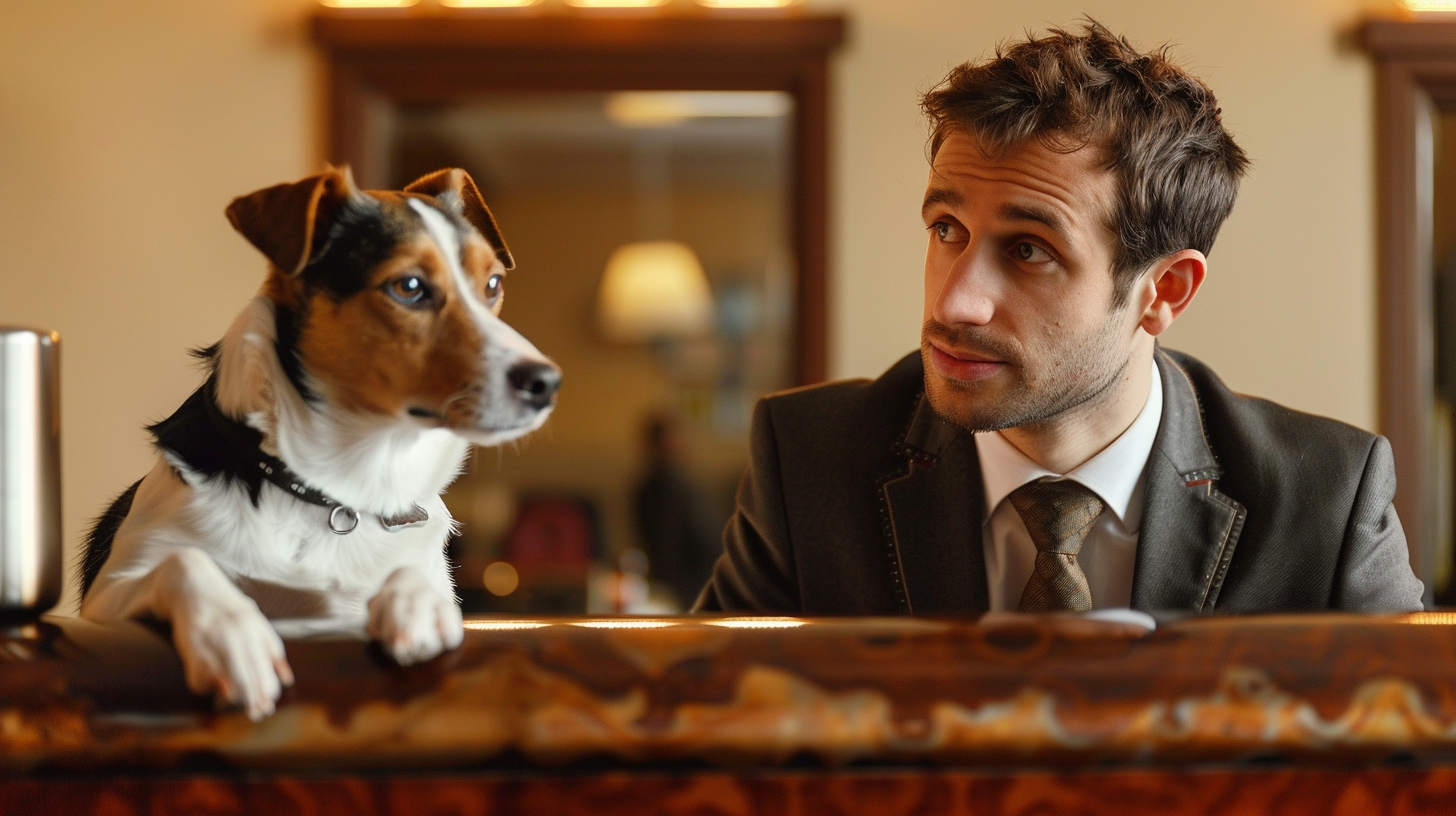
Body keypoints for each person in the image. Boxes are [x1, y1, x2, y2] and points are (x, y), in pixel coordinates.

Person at [695, 21, 1426, 615]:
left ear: (1165, 291)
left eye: (1028, 250)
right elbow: (705, 730)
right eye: (947, 229)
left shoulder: (1324, 501)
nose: (954, 303)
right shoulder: (810, 464)